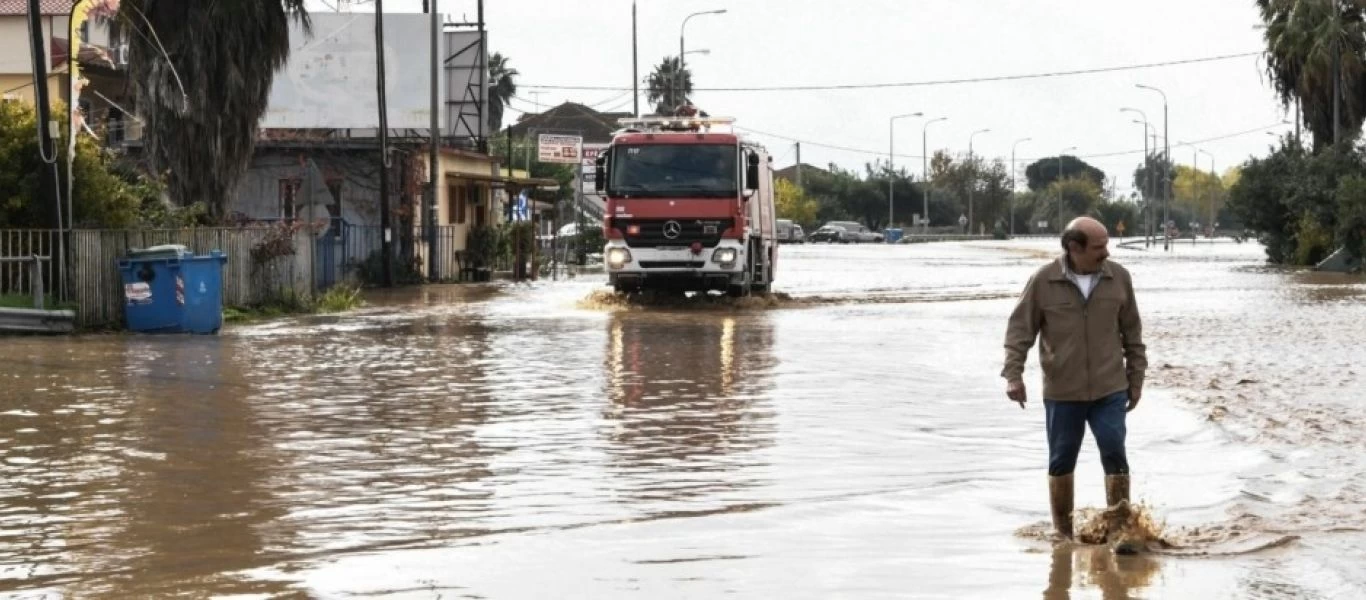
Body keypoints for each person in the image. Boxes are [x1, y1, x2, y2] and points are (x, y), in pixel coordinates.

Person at [1002, 216, 1147, 541]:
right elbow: (1019, 331)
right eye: (1098, 247)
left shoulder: (1119, 278)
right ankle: (1063, 536)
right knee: (1061, 459)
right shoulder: (1044, 281)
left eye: (1107, 244)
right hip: (1062, 392)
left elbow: (1133, 333)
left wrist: (1136, 379)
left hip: (1110, 388)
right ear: (1073, 248)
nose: (1106, 253)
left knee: (1114, 450)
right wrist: (1013, 375)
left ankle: (1121, 531)